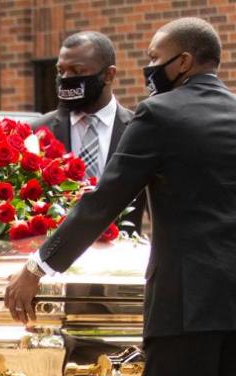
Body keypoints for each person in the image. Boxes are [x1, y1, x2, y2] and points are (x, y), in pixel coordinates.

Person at [5, 18, 236, 376]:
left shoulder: (159, 114)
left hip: (188, 302)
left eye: (154, 59)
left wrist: (38, 267)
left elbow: (103, 201)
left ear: (183, 62)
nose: (150, 69)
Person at [32, 31, 146, 235]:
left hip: (121, 259)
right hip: (51, 258)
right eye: (61, 71)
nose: (66, 78)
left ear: (109, 74)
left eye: (77, 71)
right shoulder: (38, 132)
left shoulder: (141, 130)